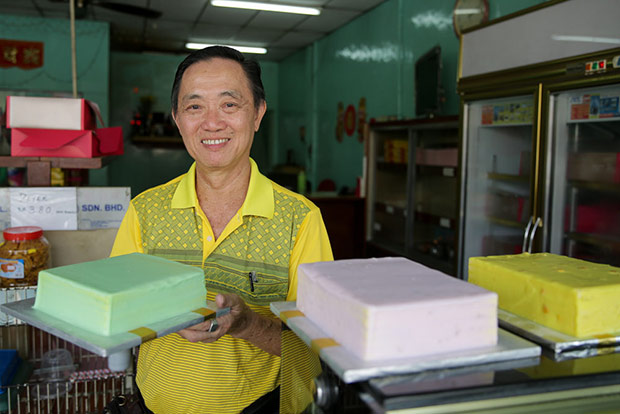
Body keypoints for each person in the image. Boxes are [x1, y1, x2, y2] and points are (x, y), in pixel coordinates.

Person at [110, 46, 333, 413]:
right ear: (177, 119)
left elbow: (319, 345)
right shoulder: (144, 211)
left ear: (258, 114)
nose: (212, 123)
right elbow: (117, 313)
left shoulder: (300, 218)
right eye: (195, 106)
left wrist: (246, 324)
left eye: (229, 105)